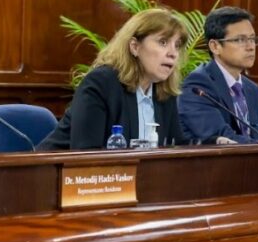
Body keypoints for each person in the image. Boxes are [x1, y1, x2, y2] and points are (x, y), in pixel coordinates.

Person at [38, 8, 188, 150]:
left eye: (177, 45)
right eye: (163, 42)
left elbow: (176, 150)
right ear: (135, 47)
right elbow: (86, 153)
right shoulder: (101, 84)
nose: (173, 53)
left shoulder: (165, 94)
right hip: (55, 168)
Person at [178, 6, 258, 144]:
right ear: (215, 46)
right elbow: (222, 137)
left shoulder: (252, 89)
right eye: (240, 40)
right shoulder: (198, 85)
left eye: (252, 39)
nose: (250, 47)